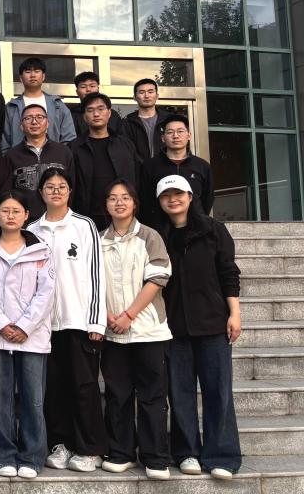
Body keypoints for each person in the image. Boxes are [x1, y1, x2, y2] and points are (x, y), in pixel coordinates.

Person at [156, 174, 242, 480]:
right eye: (166, 196)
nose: (173, 200)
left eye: (179, 194)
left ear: (191, 197)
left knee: (218, 391)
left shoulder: (214, 230)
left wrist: (235, 313)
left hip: (213, 323)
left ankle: (222, 455)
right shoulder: (159, 236)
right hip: (174, 327)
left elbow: (228, 273)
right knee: (180, 393)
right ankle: (186, 452)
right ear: (160, 202)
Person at [28, 168, 108, 473]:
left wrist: (96, 321)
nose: (56, 191)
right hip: (44, 325)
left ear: (70, 191)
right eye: (50, 186)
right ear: (41, 192)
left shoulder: (84, 226)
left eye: (61, 186)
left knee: (84, 387)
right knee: (54, 388)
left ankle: (90, 448)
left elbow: (96, 274)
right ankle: (60, 444)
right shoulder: (32, 229)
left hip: (78, 320)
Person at [98, 180, 173, 480]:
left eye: (125, 197)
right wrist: (107, 316)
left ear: (134, 203)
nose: (119, 203)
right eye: (113, 198)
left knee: (152, 395)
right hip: (112, 330)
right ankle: (121, 452)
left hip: (147, 329)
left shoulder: (149, 236)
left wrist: (129, 315)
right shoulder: (99, 240)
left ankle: (155, 457)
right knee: (117, 394)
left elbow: (158, 279)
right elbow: (92, 283)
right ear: (106, 205)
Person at [0, 191, 55, 479]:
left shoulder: (42, 250)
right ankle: (3, 455)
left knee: (33, 399)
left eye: (16, 211)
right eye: (5, 210)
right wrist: (1, 324)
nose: (10, 216)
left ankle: (32, 457)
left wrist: (24, 326)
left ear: (26, 216)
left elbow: (46, 293)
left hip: (32, 337)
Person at [70, 93, 140, 231]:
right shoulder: (74, 148)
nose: (96, 114)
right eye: (90, 110)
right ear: (84, 116)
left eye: (101, 109)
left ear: (109, 113)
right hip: (86, 217)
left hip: (121, 215)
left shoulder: (125, 145)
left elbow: (137, 179)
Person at [140, 114, 214, 229]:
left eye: (180, 131)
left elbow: (207, 199)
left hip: (195, 227)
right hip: (159, 228)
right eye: (170, 132)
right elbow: (145, 199)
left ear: (189, 135)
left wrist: (199, 216)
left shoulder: (202, 166)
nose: (175, 136)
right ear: (163, 138)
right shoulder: (150, 166)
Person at [5, 104, 74, 223]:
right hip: (25, 222)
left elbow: (73, 187)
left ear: (47, 123)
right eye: (28, 118)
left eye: (39, 117)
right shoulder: (12, 155)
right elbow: (8, 191)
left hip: (60, 221)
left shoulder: (63, 152)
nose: (34, 122)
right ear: (21, 125)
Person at [2, 58, 77, 153]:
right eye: (28, 72)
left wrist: (60, 157)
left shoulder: (57, 104)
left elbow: (69, 138)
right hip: (20, 160)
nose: (33, 75)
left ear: (43, 76)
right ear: (21, 78)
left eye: (37, 71)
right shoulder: (11, 107)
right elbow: (5, 142)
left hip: (54, 159)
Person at [123, 78, 171, 162]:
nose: (146, 96)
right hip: (138, 169)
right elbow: (125, 151)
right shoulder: (127, 122)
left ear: (157, 96)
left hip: (166, 167)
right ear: (134, 97)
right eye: (142, 92)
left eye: (150, 92)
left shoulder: (169, 120)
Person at [71, 71, 122, 137]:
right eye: (83, 87)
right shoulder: (70, 115)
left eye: (92, 86)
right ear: (77, 91)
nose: (88, 89)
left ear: (98, 89)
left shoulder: (113, 115)